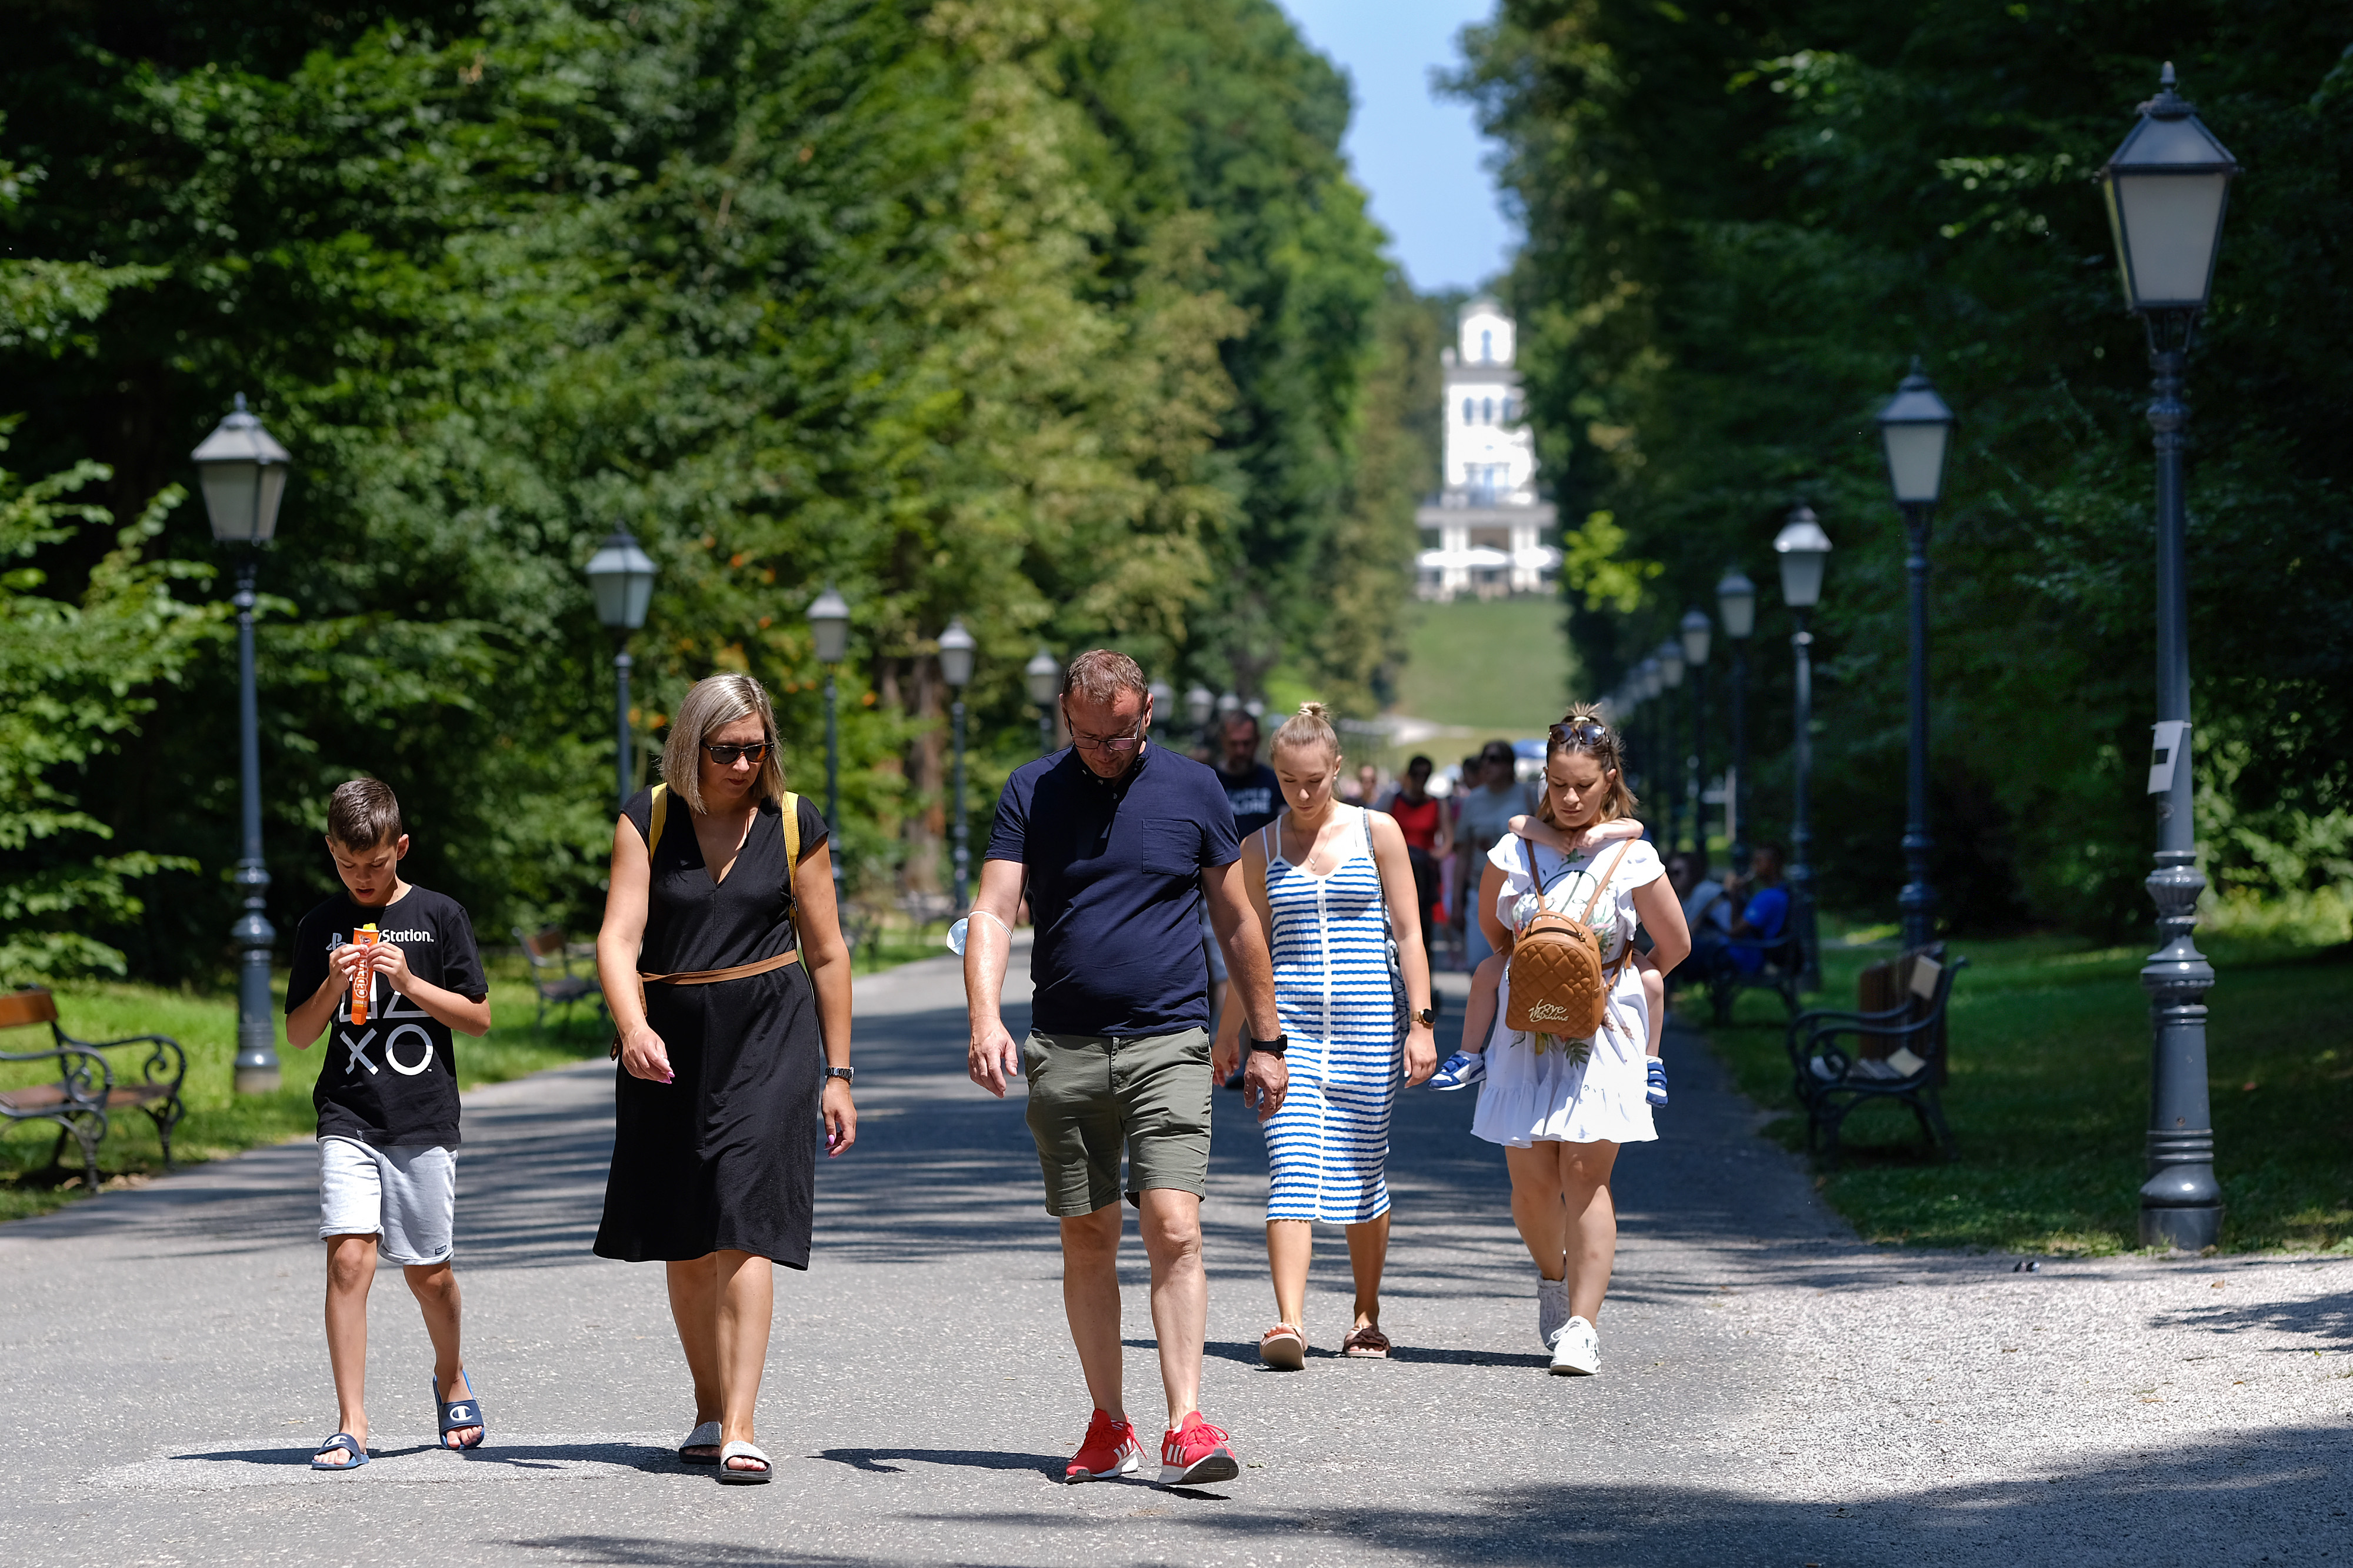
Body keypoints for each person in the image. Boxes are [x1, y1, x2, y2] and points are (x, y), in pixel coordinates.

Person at [964, 649, 1285, 1487]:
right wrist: (983, 1014)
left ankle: (1187, 1421)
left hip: (1168, 1040)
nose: (1105, 749)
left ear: (1149, 710)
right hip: (1064, 1045)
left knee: (1174, 1224)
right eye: (1088, 736)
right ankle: (1110, 1422)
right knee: (1088, 1235)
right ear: (1067, 719)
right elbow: (994, 908)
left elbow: (1237, 919)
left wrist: (1267, 1036)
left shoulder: (1195, 788)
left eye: (1122, 733)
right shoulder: (1032, 789)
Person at [595, 673, 856, 1484]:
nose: (744, 763)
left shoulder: (791, 820)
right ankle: (708, 1406)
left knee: (746, 1219)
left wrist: (838, 1071)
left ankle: (742, 1425)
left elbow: (828, 951)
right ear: (692, 746)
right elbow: (617, 936)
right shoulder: (650, 818)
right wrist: (633, 1025)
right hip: (668, 1040)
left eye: (756, 748)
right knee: (685, 1233)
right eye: (727, 750)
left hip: (770, 1037)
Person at [1467, 708, 1689, 1376]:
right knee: (1532, 1185)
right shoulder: (1515, 851)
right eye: (1558, 784)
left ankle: (1582, 1327)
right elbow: (1493, 935)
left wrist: (1625, 976)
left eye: (1582, 786)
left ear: (1608, 780)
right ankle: (1552, 1275)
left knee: (1585, 1177)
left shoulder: (1632, 855)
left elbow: (1674, 944)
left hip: (1604, 1032)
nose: (1568, 798)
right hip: (1524, 1030)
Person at [1215, 705, 1439, 1366]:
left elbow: (1409, 933)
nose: (1302, 793)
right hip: (1287, 1030)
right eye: (1288, 780)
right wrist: (1232, 1035)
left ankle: (1365, 1316)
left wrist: (1421, 1023)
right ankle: (1287, 1321)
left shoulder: (1380, 832)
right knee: (1292, 1163)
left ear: (1336, 768)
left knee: (1362, 1170)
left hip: (1372, 1022)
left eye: (1313, 779)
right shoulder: (1257, 847)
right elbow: (1245, 952)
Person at [284, 778, 492, 1470]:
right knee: (348, 1258)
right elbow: (298, 1034)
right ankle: (352, 1422)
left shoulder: (439, 915)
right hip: (347, 1113)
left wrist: (409, 982)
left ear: (400, 846)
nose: (362, 877)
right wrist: (334, 984)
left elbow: (479, 1017)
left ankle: (451, 1374)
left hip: (423, 1114)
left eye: (374, 863)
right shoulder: (320, 925)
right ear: (330, 851)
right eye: (347, 864)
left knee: (429, 1273)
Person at [1208, 710, 1282, 1083]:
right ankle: (1233, 1050)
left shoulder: (1271, 782)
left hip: (1266, 888)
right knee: (1226, 970)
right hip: (1217, 889)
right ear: (1223, 741)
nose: (1240, 749)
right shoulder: (1210, 782)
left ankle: (1263, 1042)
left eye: (1247, 743)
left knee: (1262, 964)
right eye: (1233, 742)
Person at [1452, 740, 1537, 972]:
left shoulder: (1528, 796)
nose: (1488, 765)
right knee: (1479, 964)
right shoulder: (1473, 800)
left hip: (1521, 890)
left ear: (1510, 765)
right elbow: (1462, 855)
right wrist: (1456, 901)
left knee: (1520, 965)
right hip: (1480, 889)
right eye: (1484, 760)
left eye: (1495, 759)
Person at [1381, 755, 1452, 962]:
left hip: (1425, 875)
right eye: (1417, 774)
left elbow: (1448, 841)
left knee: (1423, 930)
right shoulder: (1393, 800)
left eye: (1425, 775)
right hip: (1396, 873)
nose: (1421, 779)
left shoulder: (1438, 804)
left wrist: (1433, 856)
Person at [1691, 845, 1790, 979]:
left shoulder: (1768, 898)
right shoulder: (1781, 892)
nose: (1753, 866)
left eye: (1758, 861)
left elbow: (1734, 933)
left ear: (1773, 865)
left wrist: (1733, 896)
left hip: (1742, 957)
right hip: (1746, 952)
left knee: (1676, 953)